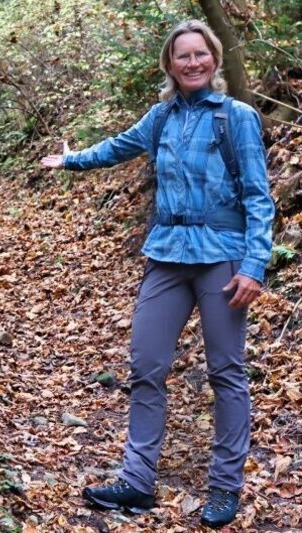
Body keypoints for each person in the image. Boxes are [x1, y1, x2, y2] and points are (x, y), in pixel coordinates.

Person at [41, 19, 274, 529]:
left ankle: (224, 487)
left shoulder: (236, 118)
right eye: (183, 56)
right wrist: (72, 160)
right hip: (167, 255)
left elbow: (259, 197)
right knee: (146, 365)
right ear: (169, 64)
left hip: (222, 256)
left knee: (226, 372)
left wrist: (255, 266)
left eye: (201, 54)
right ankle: (137, 480)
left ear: (213, 59)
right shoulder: (161, 117)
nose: (193, 63)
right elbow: (117, 147)